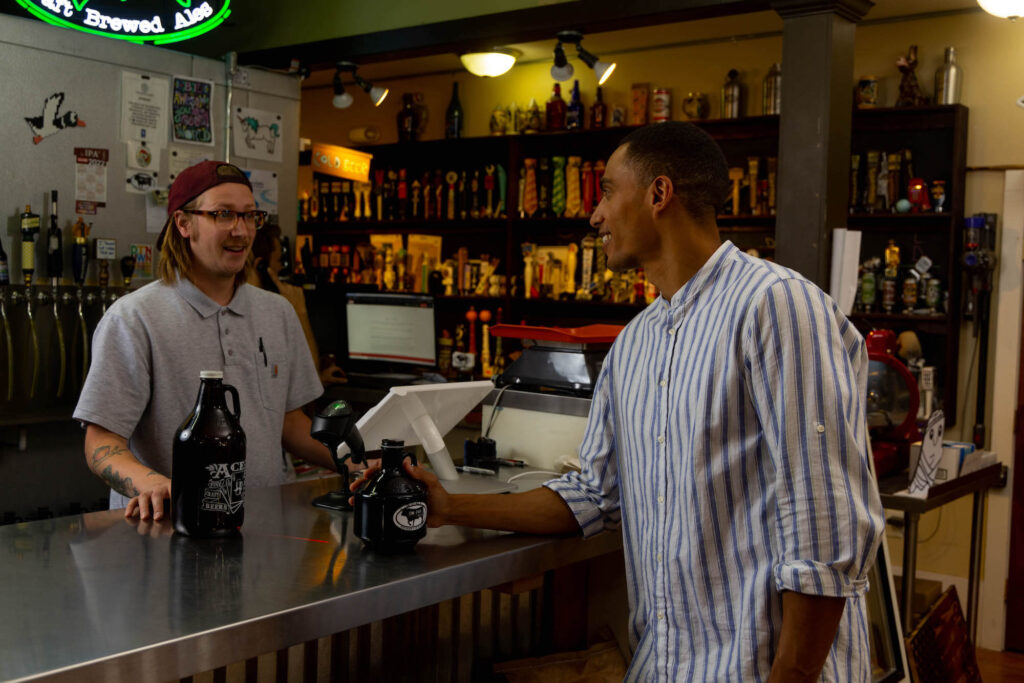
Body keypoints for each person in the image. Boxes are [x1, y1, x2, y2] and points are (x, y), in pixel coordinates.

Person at [359, 122, 885, 681]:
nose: (596, 215)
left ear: (659, 194)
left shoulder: (777, 306)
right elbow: (592, 495)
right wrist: (450, 506)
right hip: (663, 666)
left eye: (608, 191)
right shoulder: (633, 345)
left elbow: (825, 526)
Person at [74, 161, 336, 521]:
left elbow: (290, 424)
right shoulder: (134, 318)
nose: (241, 231)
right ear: (183, 224)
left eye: (249, 216)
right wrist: (151, 483)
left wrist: (361, 461)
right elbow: (100, 441)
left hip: (262, 528)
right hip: (168, 527)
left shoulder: (278, 312)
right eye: (223, 214)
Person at [246, 222, 346, 387]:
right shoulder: (259, 319)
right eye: (279, 261)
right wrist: (300, 312)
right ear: (260, 267)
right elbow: (308, 386)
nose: (282, 269)